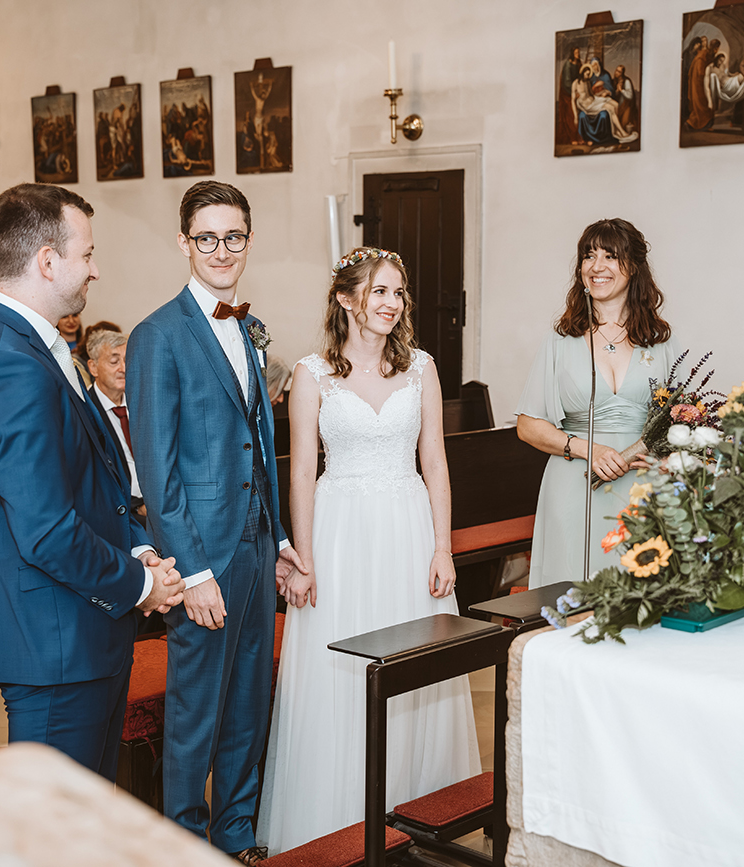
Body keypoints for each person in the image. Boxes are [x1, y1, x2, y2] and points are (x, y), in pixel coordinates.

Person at [0, 182, 182, 779]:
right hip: (51, 638)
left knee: (89, 808)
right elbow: (47, 530)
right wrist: (140, 585)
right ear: (48, 261)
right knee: (56, 820)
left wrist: (140, 550)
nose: (95, 270)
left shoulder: (35, 347)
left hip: (78, 625)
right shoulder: (6, 362)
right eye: (87, 254)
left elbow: (94, 482)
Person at [256, 248, 479, 853]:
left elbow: (435, 462)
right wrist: (304, 558)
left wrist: (442, 548)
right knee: (343, 668)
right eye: (380, 291)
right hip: (340, 532)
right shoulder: (312, 374)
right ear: (346, 298)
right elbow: (301, 474)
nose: (392, 303)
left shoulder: (421, 367)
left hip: (408, 528)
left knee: (414, 659)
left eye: (399, 292)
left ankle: (416, 811)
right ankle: (339, 821)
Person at [127, 180, 305, 866]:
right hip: (202, 552)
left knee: (248, 702)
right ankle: (181, 842)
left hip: (255, 545)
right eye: (207, 237)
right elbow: (158, 470)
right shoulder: (157, 335)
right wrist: (193, 571)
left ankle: (235, 835)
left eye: (234, 236)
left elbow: (259, 443)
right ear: (184, 243)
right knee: (196, 710)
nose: (222, 249)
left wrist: (279, 537)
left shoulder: (248, 328)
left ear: (249, 241)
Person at [516, 218, 676, 588]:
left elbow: (682, 421)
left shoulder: (660, 340)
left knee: (641, 595)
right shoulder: (561, 340)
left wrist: (667, 460)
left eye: (610, 256)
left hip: (644, 486)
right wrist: (589, 449)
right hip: (574, 485)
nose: (596, 266)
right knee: (572, 594)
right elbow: (528, 425)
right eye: (588, 256)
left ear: (633, 266)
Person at [85, 328, 142, 512]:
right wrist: (137, 506)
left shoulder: (142, 402)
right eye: (114, 362)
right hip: (120, 509)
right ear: (93, 367)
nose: (123, 369)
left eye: (127, 360)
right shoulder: (85, 412)